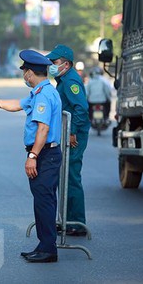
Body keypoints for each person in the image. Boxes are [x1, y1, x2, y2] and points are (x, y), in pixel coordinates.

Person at [0, 50, 62, 263]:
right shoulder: (39, 92)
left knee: (44, 202)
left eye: (25, 71)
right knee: (42, 201)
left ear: (30, 73)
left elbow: (43, 129)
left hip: (45, 154)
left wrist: (33, 155)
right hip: (44, 154)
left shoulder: (44, 94)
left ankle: (49, 249)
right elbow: (17, 105)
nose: (24, 75)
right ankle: (44, 245)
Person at [46, 44, 90, 236]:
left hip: (75, 135)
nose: (52, 66)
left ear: (66, 63)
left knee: (71, 176)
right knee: (65, 176)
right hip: (69, 132)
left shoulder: (71, 80)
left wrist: (72, 132)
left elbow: (81, 108)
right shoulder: (63, 79)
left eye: (54, 62)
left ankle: (77, 222)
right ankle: (66, 219)